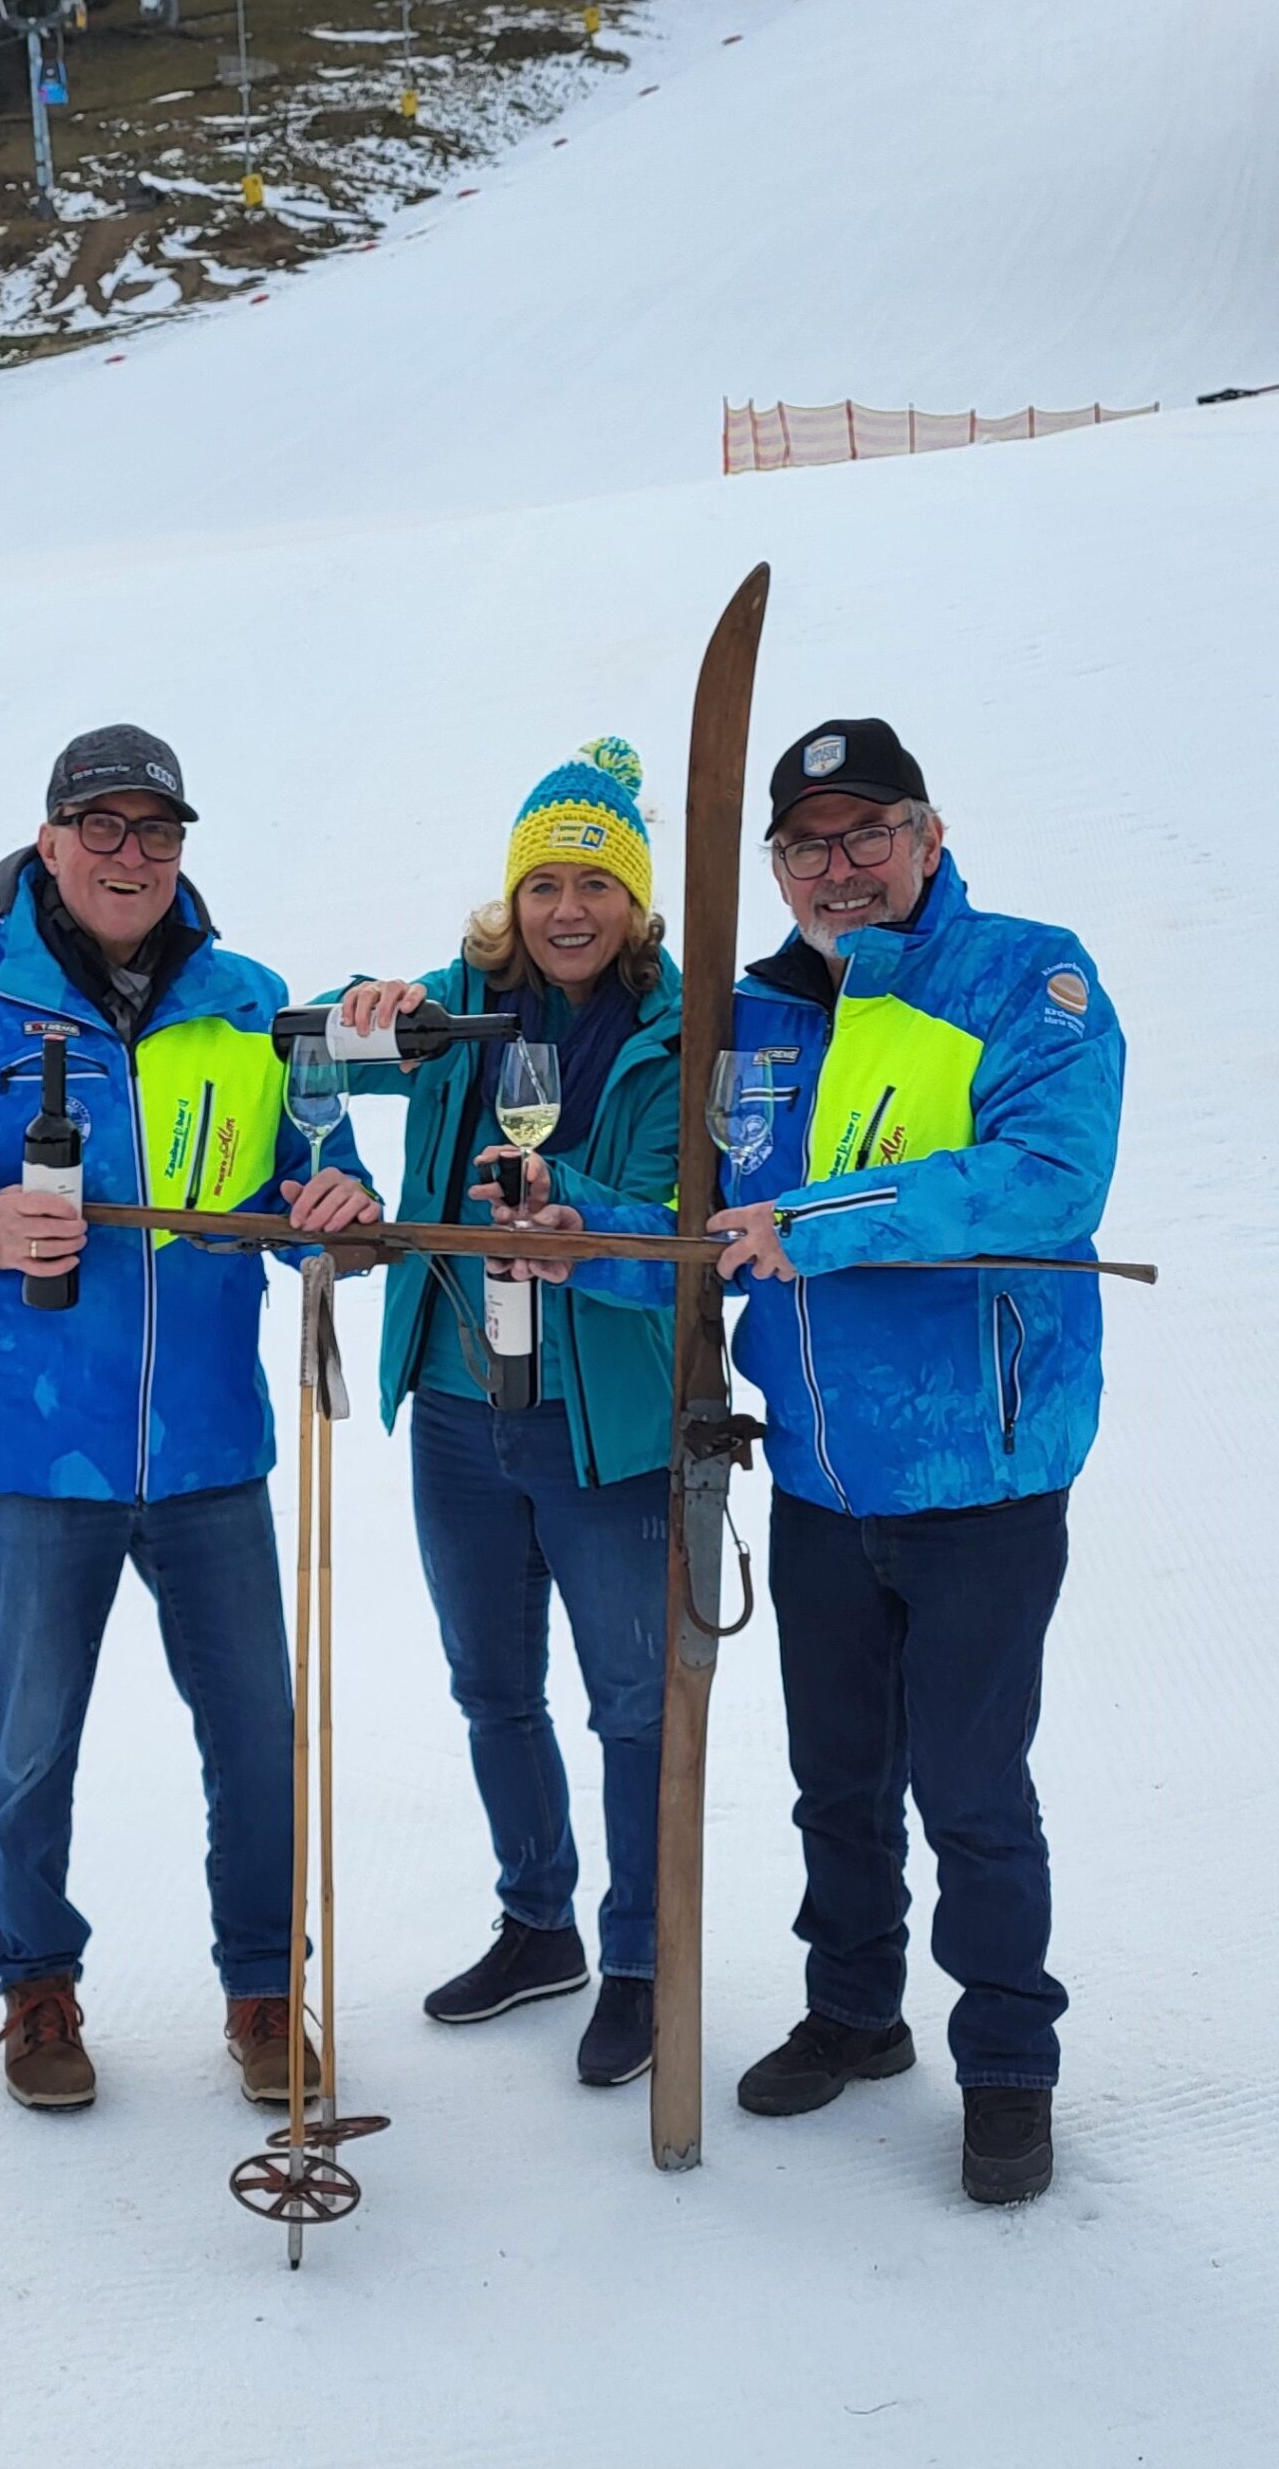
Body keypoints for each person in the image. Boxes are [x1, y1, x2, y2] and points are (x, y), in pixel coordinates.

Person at [526, 718, 1125, 2202]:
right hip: (813, 1476)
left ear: (927, 834)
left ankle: (1005, 2063)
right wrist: (580, 1233)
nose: (837, 868)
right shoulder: (762, 1019)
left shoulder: (1022, 977)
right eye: (805, 845)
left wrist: (826, 1222)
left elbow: (1045, 1182)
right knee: (833, 1781)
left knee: (972, 1788)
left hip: (978, 1476)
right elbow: (712, 1239)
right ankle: (855, 2014)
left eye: (867, 834)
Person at [0, 724, 378, 2113]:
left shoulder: (259, 1007)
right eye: (106, 827)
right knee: (31, 1736)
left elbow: (320, 1194)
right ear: (51, 840)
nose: (133, 856)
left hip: (207, 1449)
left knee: (258, 1731)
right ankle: (36, 1990)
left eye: (159, 830)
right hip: (28, 1452)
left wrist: (331, 1218)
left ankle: (266, 1988)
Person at [332, 738, 681, 2088]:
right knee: (491, 1684)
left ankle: (645, 1955)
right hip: (459, 1407)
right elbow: (305, 1037)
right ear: (512, 897)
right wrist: (363, 1008)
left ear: (634, 902)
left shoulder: (671, 1030)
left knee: (633, 1699)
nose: (567, 911)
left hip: (604, 1420)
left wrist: (578, 1221)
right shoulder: (458, 1005)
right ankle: (537, 1924)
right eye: (544, 883)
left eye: (594, 884)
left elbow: (675, 1242)